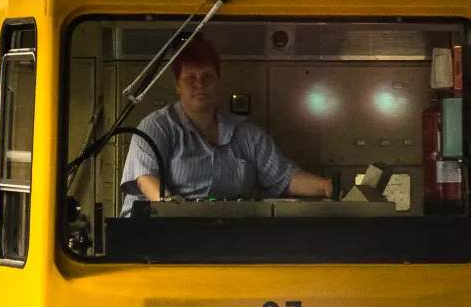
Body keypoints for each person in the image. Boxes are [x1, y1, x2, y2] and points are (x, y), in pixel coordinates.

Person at [120, 35, 333, 215]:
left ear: (219, 81)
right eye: (190, 78)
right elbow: (145, 179)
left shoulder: (247, 134)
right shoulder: (157, 127)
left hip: (226, 235)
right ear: (177, 85)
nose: (199, 85)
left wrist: (324, 186)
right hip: (162, 234)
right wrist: (175, 210)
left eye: (207, 77)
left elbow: (284, 177)